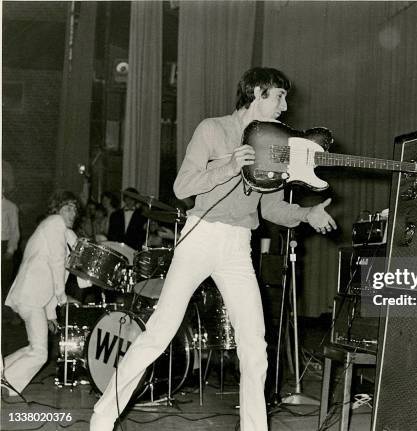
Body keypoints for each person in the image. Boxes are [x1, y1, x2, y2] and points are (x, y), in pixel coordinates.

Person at [90, 67, 337, 431]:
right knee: (158, 333)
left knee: (254, 345)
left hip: (238, 246)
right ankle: (103, 416)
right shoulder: (213, 129)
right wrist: (229, 165)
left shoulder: (276, 145)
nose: (285, 108)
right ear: (257, 92)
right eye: (279, 97)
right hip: (201, 235)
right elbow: (182, 186)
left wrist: (306, 213)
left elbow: (269, 209)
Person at [3, 191, 81, 396]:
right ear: (57, 210)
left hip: (32, 296)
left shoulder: (61, 231)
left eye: (74, 208)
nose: (73, 212)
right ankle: (8, 382)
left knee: (35, 348)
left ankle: (3, 373)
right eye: (67, 208)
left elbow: (53, 271)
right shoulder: (54, 223)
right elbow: (56, 264)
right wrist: (63, 300)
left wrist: (51, 315)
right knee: (39, 352)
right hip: (30, 296)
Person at [1, 190, 20, 301]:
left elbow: (14, 231)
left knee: (3, 281)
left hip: (3, 245)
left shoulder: (10, 206)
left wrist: (10, 250)